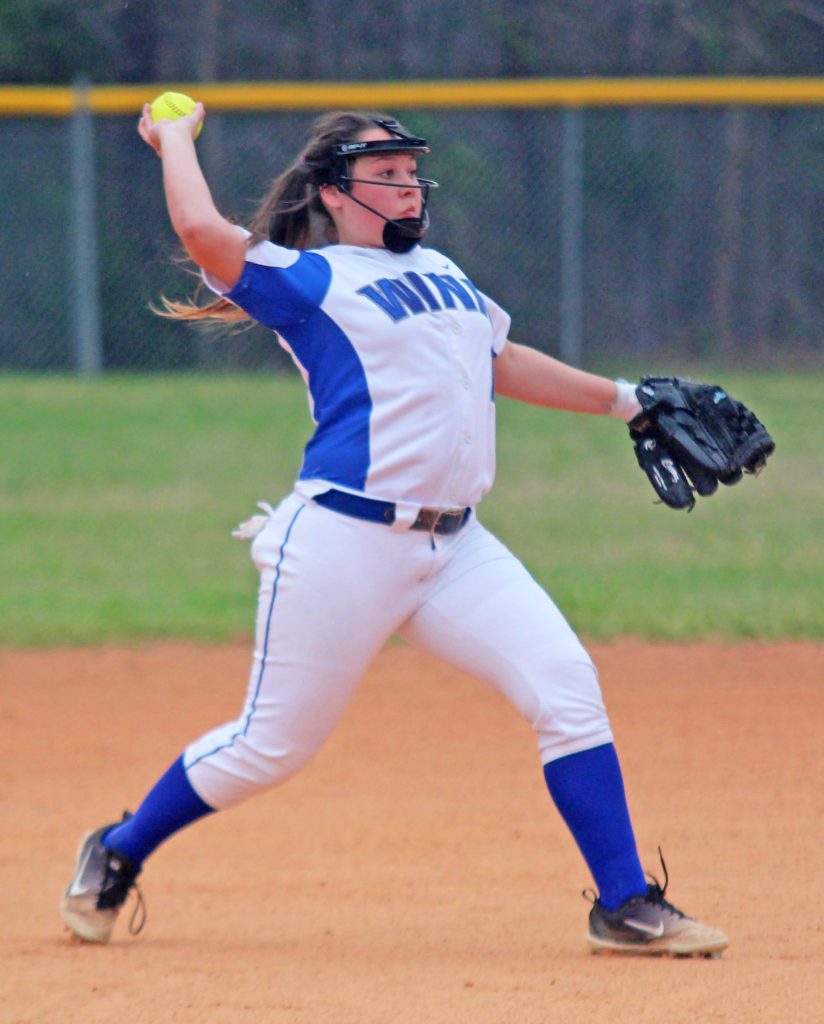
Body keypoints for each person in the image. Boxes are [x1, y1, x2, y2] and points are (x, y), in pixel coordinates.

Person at [59, 102, 728, 958]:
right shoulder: (310, 279)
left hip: (456, 547)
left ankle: (625, 904)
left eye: (412, 172)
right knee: (271, 747)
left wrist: (627, 401)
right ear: (334, 194)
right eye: (385, 174)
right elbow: (199, 229)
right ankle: (118, 849)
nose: (409, 186)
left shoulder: (443, 271)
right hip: (343, 543)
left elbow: (501, 362)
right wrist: (176, 139)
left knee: (566, 687)